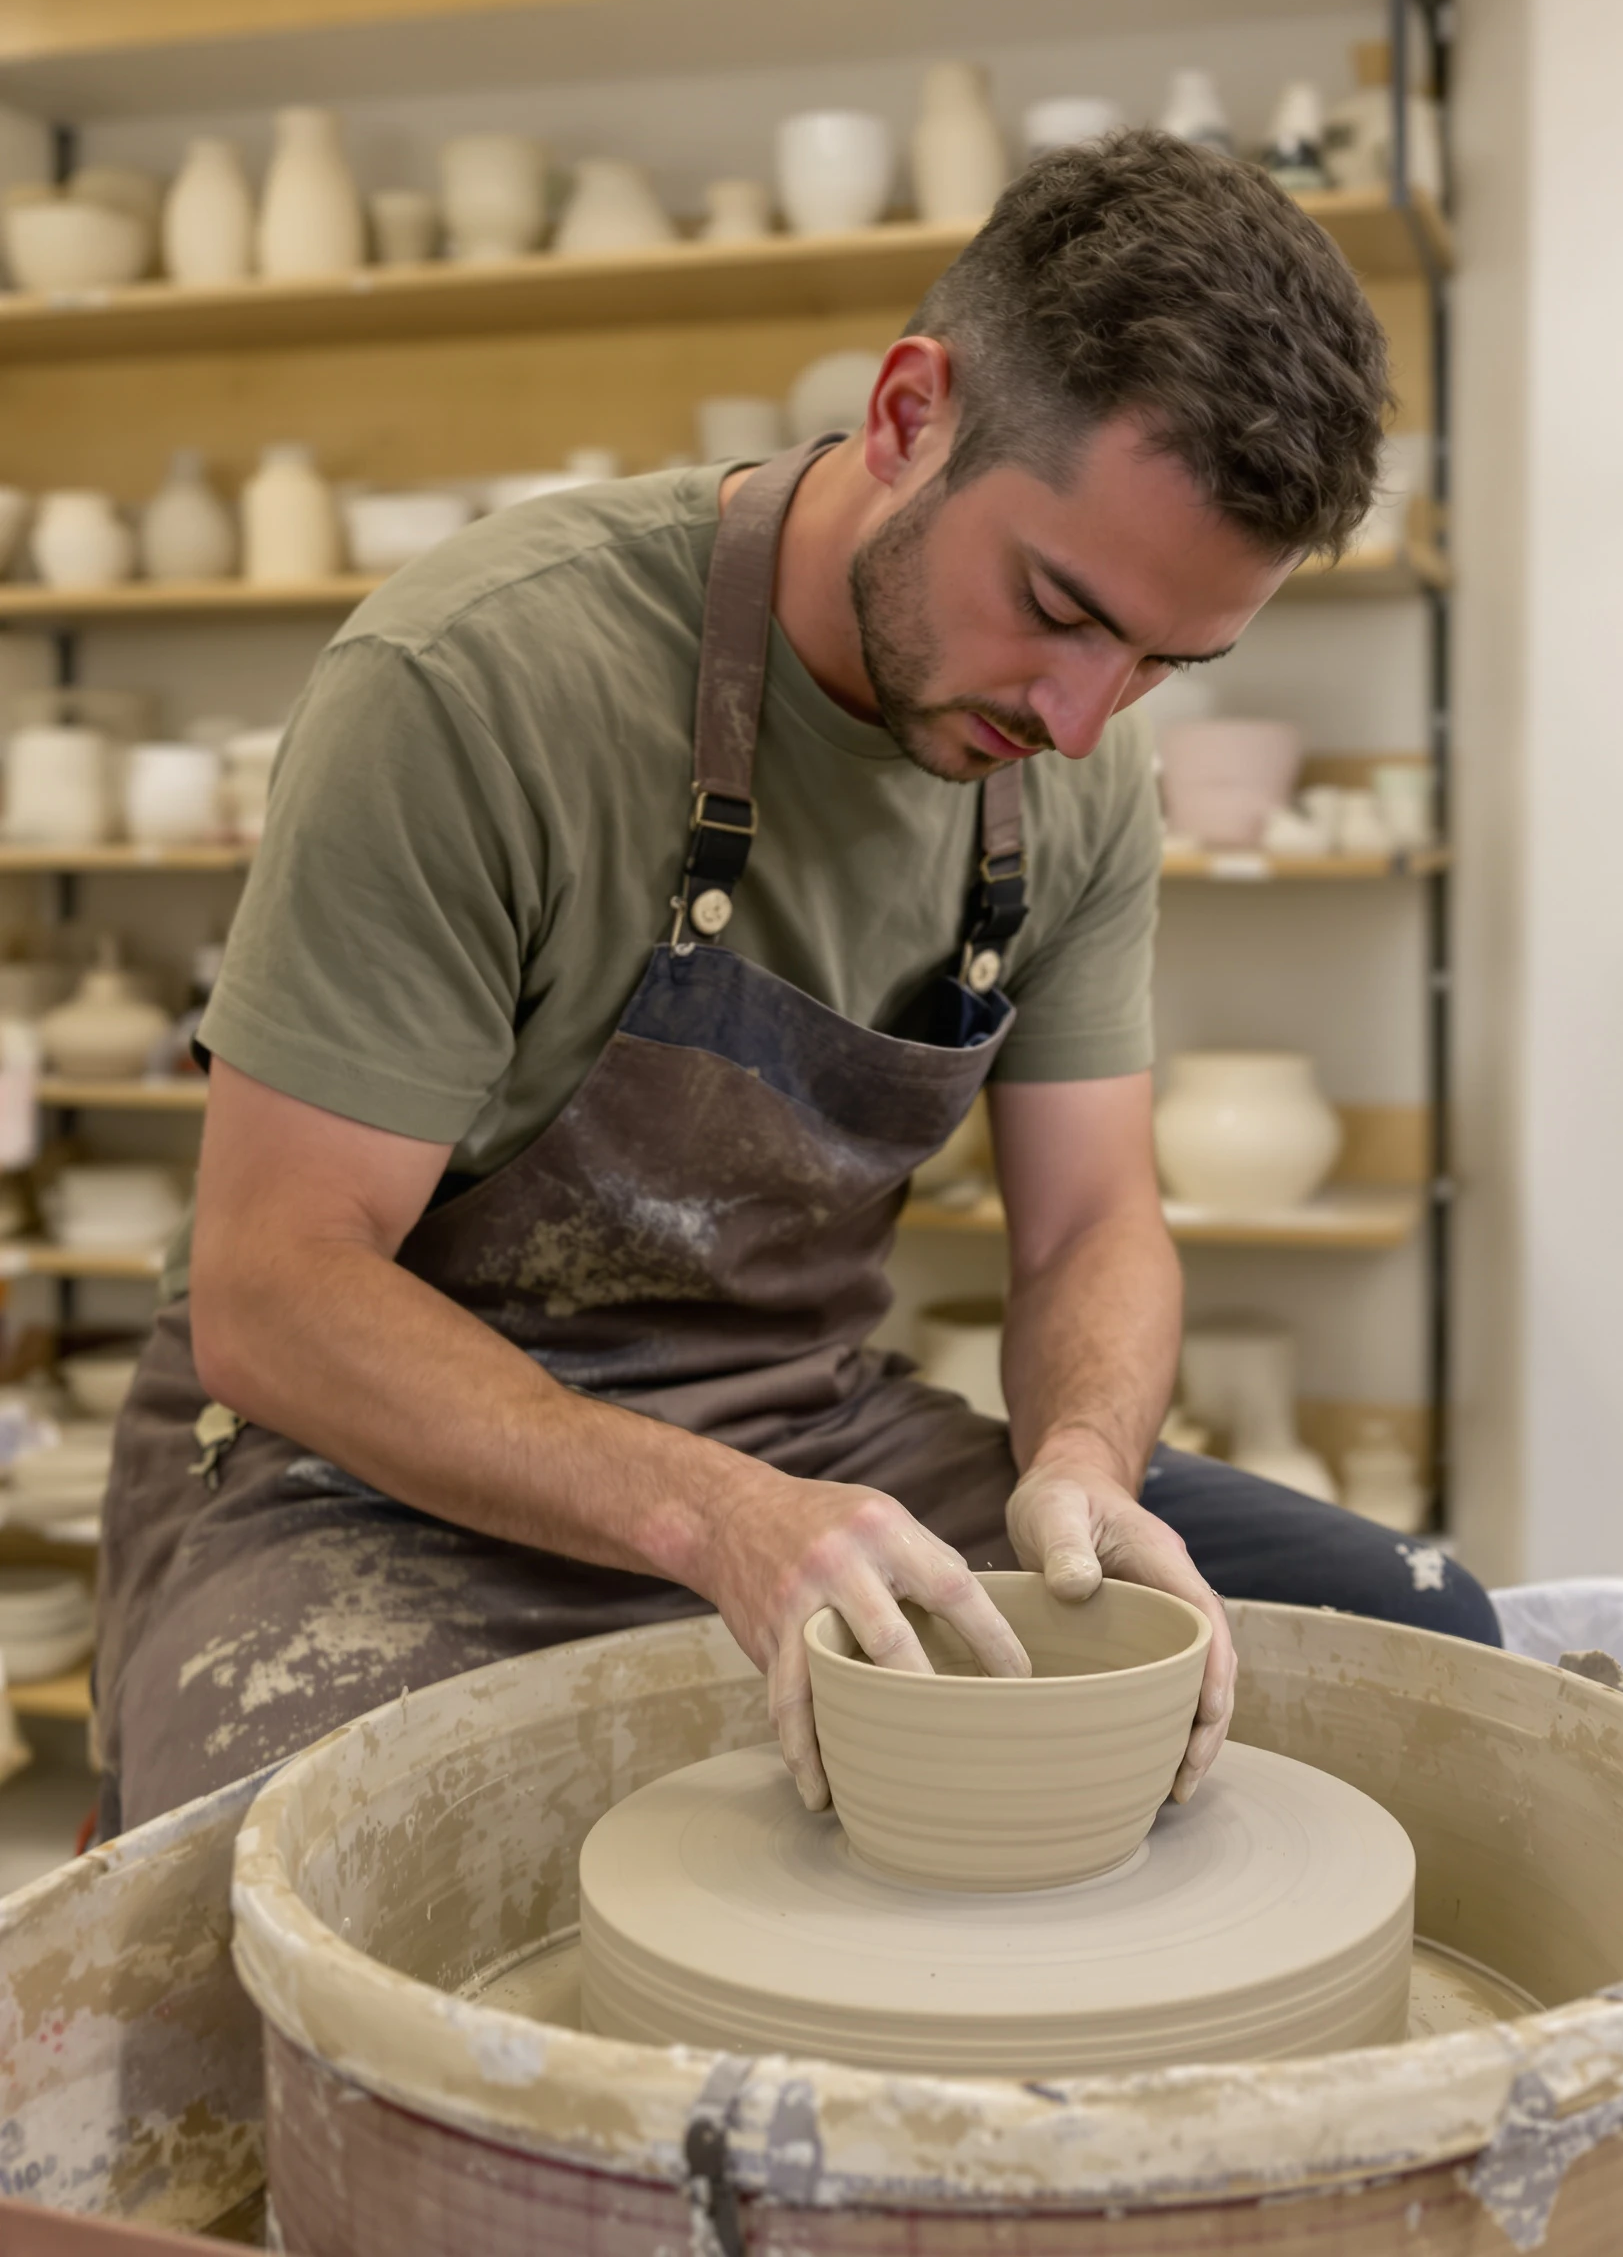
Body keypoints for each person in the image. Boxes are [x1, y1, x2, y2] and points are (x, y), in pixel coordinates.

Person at [94, 134, 1497, 1839]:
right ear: (910, 414)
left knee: (1416, 1633)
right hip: (364, 1482)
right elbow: (272, 1290)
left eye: (1164, 664)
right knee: (315, 1895)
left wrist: (1080, 1464)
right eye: (1058, 608)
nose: (1081, 717)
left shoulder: (1076, 769)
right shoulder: (476, 679)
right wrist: (710, 1519)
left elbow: (1089, 1228)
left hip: (810, 1443)